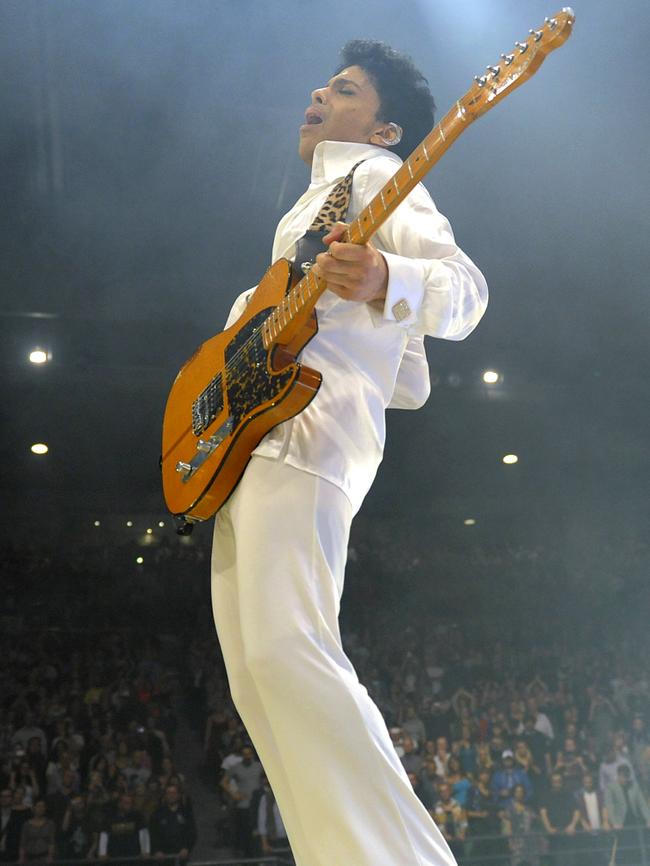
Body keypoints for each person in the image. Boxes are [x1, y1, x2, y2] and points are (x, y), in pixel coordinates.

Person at [211, 38, 487, 866]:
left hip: (308, 437)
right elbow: (408, 380)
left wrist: (385, 282)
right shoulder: (304, 211)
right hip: (257, 441)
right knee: (260, 671)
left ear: (384, 128)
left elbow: (465, 294)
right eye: (324, 84)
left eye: (345, 89)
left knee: (289, 651)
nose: (319, 94)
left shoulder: (372, 179)